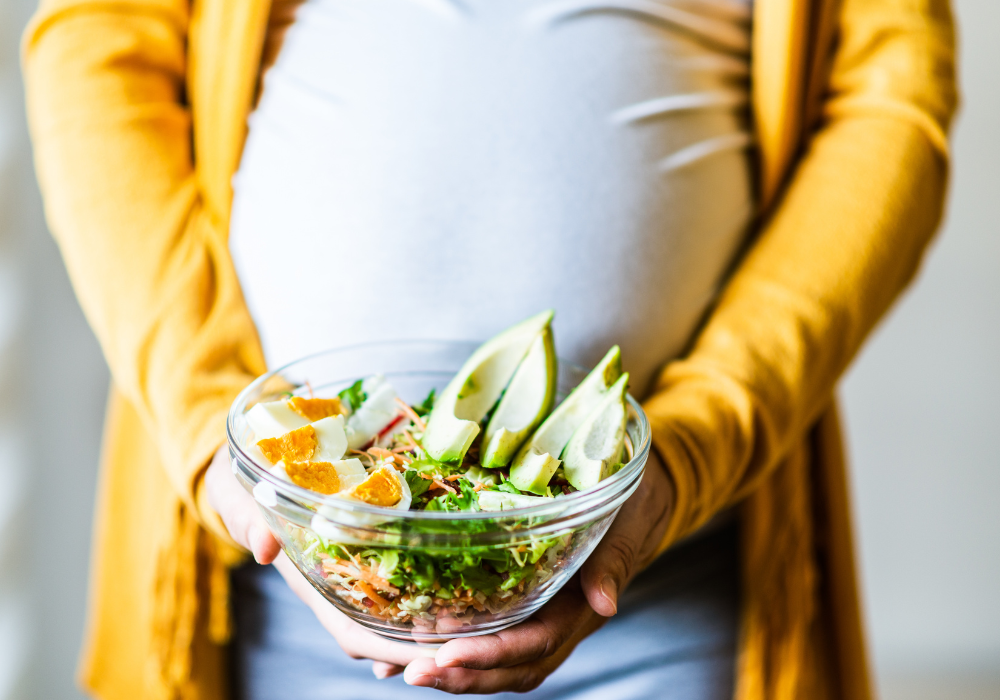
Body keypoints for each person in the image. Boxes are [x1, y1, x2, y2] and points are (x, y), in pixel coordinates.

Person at [22, 0, 956, 697]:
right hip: (274, 585)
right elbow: (96, 45)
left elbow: (887, 95)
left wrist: (694, 446)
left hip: (675, 590)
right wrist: (210, 435)